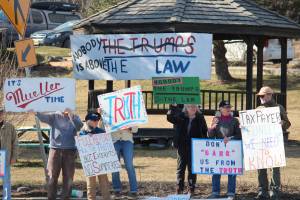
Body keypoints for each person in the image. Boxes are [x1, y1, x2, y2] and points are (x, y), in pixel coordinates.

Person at [35, 108, 83, 200]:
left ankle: (65, 197)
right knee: (52, 177)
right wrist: (35, 112)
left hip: (70, 151)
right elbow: (42, 117)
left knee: (68, 178)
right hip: (55, 150)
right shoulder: (54, 115)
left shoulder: (75, 116)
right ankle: (51, 197)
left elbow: (79, 126)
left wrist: (71, 116)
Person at [255, 86, 291, 200]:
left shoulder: (279, 108)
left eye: (262, 95)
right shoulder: (258, 109)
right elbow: (253, 127)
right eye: (260, 96)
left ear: (270, 95)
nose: (260, 97)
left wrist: (282, 123)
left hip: (275, 143)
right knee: (261, 167)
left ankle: (275, 191)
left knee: (275, 167)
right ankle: (263, 191)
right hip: (261, 143)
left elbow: (288, 123)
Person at [167, 104, 208, 196]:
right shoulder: (181, 116)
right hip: (182, 145)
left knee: (192, 169)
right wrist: (172, 107)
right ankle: (179, 188)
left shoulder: (200, 118)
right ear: (186, 108)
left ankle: (191, 189)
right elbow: (170, 118)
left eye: (194, 107)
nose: (192, 108)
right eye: (190, 106)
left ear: (197, 108)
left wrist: (203, 144)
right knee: (181, 168)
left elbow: (204, 131)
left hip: (194, 147)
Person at [207, 100, 241, 200]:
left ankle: (231, 193)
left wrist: (230, 139)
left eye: (229, 107)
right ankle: (215, 192)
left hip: (232, 150)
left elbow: (239, 135)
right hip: (219, 151)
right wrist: (211, 129)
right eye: (226, 107)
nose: (228, 109)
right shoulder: (216, 120)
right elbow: (211, 136)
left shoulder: (235, 120)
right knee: (216, 171)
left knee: (231, 171)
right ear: (220, 109)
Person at [79, 112, 111, 200]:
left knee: (104, 183)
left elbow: (107, 145)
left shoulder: (101, 131)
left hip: (101, 161)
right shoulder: (82, 133)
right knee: (90, 184)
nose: (96, 122)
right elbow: (80, 146)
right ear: (87, 121)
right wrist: (86, 137)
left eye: (97, 120)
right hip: (90, 162)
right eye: (94, 120)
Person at [111, 127, 138, 199]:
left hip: (127, 141)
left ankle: (134, 190)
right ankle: (116, 189)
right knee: (114, 166)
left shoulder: (130, 115)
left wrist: (128, 127)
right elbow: (103, 128)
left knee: (129, 165)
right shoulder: (108, 115)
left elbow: (135, 129)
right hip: (114, 141)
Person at [0, 107, 18, 197]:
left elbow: (15, 143)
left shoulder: (10, 127)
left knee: (6, 180)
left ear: (3, 114)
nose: (0, 115)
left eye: (1, 113)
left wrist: (14, 157)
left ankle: (6, 198)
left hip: (4, 156)